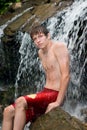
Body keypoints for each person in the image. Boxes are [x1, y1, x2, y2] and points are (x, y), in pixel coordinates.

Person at [2, 25, 70, 130]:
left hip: (55, 94)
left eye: (40, 36)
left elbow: (66, 75)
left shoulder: (59, 47)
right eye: (35, 39)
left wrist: (58, 102)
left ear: (48, 36)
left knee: (20, 101)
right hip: (44, 93)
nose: (38, 40)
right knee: (8, 111)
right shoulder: (40, 53)